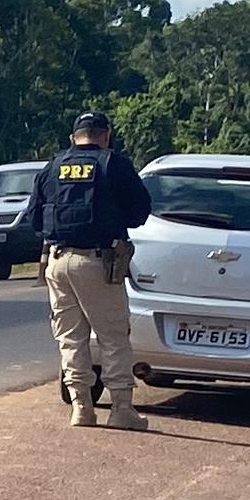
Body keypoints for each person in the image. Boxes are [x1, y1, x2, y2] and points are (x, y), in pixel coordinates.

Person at [29, 108, 152, 431]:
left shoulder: (52, 167)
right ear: (106, 136)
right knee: (112, 337)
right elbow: (141, 212)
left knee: (70, 339)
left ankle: (81, 407)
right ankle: (122, 409)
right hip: (98, 262)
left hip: (57, 261)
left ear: (73, 138)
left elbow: (34, 219)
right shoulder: (114, 165)